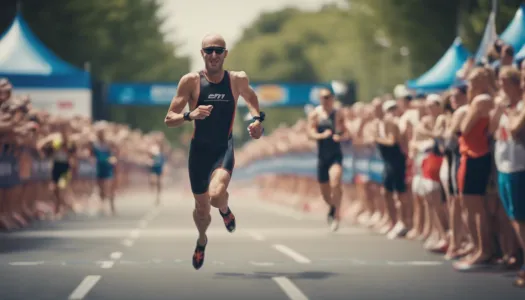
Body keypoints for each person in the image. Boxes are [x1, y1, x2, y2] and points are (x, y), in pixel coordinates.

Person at [164, 33, 264, 270]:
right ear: (202, 54)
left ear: (225, 54)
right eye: (209, 50)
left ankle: (225, 209)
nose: (214, 55)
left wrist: (258, 120)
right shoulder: (190, 81)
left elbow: (251, 98)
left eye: (219, 50)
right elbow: (169, 119)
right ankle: (202, 240)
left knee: (216, 194)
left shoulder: (237, 79)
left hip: (223, 147)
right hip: (199, 152)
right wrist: (190, 114)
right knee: (201, 209)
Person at [307, 88, 345, 231]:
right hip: (322, 155)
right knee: (325, 192)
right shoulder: (315, 115)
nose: (326, 100)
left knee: (335, 181)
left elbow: (346, 131)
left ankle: (336, 215)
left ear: (332, 98)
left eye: (328, 97)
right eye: (323, 97)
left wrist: (340, 136)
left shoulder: (338, 113)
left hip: (335, 153)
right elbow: (310, 133)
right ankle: (332, 206)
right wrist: (322, 136)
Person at [90, 129, 118, 215]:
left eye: (102, 134)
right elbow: (91, 155)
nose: (101, 135)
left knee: (108, 187)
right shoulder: (94, 145)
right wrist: (92, 160)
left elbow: (114, 153)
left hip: (108, 168)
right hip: (99, 168)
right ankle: (102, 206)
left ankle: (112, 206)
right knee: (101, 188)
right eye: (99, 134)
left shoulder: (109, 143)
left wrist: (113, 159)